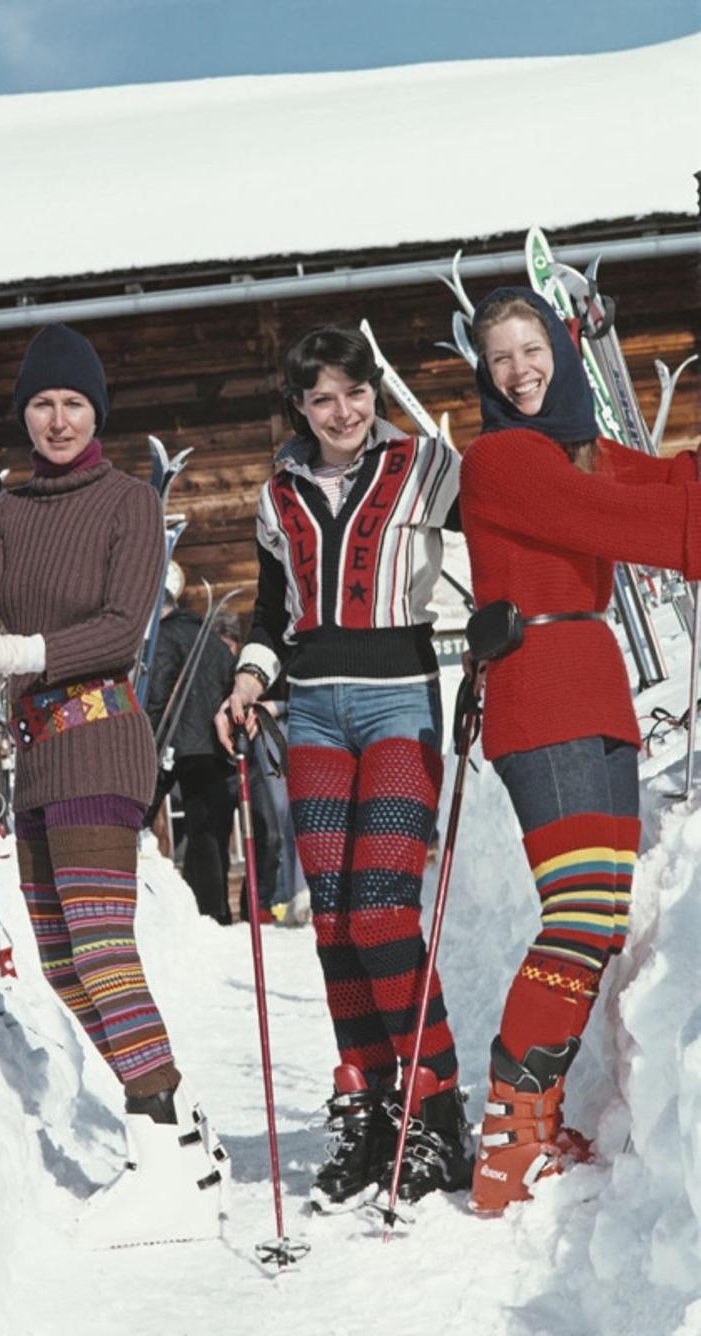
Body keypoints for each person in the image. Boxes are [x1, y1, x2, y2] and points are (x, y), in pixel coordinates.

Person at [0, 323, 226, 1247]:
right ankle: (179, 1134)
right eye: (43, 404)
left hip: (102, 742)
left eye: (74, 403)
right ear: (26, 414)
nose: (58, 419)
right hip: (36, 756)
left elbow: (120, 630)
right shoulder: (10, 509)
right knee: (63, 963)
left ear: (96, 411)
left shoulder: (128, 501)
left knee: (102, 951)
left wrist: (13, 652)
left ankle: (164, 1144)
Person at [214, 324, 472, 1214]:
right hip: (315, 708)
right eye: (322, 398)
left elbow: (510, 523)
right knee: (330, 918)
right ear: (299, 407)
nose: (343, 411)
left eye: (355, 392)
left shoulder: (428, 468)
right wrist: (249, 679)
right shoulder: (274, 495)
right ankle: (367, 1101)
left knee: (379, 909)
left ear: (374, 393)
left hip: (401, 698)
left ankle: (434, 1102)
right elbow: (272, 609)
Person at [459, 286, 701, 1215]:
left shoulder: (574, 450)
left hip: (590, 687)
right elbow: (628, 524)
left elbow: (657, 484)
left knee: (599, 918)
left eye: (532, 350)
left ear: (561, 351)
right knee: (576, 915)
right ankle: (507, 1141)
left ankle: (534, 1117)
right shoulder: (500, 460)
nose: (520, 371)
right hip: (538, 692)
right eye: (501, 359)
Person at [146, 584, 239, 923]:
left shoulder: (166, 637)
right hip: (216, 742)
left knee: (146, 815)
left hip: (179, 743)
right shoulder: (208, 637)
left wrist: (149, 737)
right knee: (211, 829)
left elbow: (157, 691)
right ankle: (217, 910)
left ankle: (203, 911)